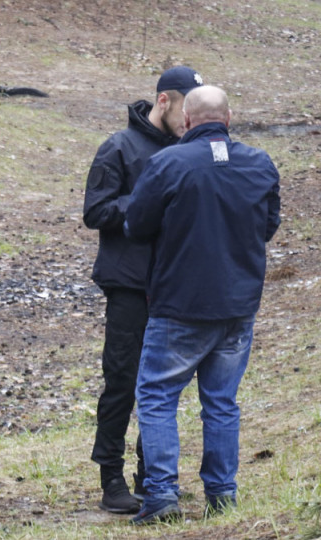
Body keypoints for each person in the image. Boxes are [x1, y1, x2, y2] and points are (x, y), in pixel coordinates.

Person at [124, 85, 281, 524]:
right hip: (237, 306)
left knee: (156, 397)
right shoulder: (259, 163)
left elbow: (136, 224)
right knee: (222, 402)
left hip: (179, 303)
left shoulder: (168, 163)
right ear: (228, 119)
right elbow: (267, 226)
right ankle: (222, 495)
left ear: (187, 121)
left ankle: (161, 496)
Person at [82, 65, 203, 514]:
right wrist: (149, 199)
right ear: (165, 101)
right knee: (122, 381)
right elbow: (95, 212)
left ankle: (151, 474)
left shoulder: (190, 149)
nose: (191, 118)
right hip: (129, 285)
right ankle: (110, 477)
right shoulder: (118, 147)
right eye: (186, 107)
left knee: (166, 387)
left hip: (175, 285)